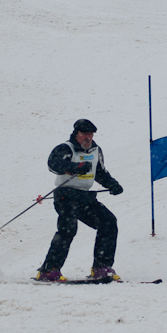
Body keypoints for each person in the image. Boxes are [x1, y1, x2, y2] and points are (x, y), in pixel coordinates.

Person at [36, 119, 124, 282]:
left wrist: (112, 184)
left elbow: (100, 172)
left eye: (90, 135)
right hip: (66, 195)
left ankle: (101, 268)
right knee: (68, 229)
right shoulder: (66, 148)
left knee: (108, 222)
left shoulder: (96, 150)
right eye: (84, 134)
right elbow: (53, 164)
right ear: (76, 134)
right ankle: (49, 270)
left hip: (84, 196)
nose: (87, 138)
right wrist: (74, 167)